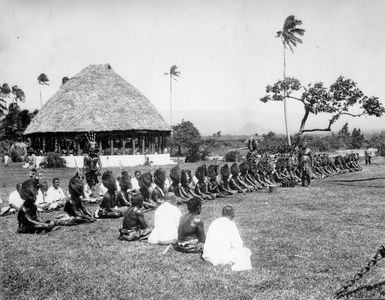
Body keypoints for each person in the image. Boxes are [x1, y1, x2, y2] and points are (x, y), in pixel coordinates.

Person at [202, 206, 252, 271]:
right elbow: (237, 244)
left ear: (222, 214)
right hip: (220, 256)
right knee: (245, 252)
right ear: (233, 214)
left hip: (207, 255)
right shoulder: (231, 223)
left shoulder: (214, 222)